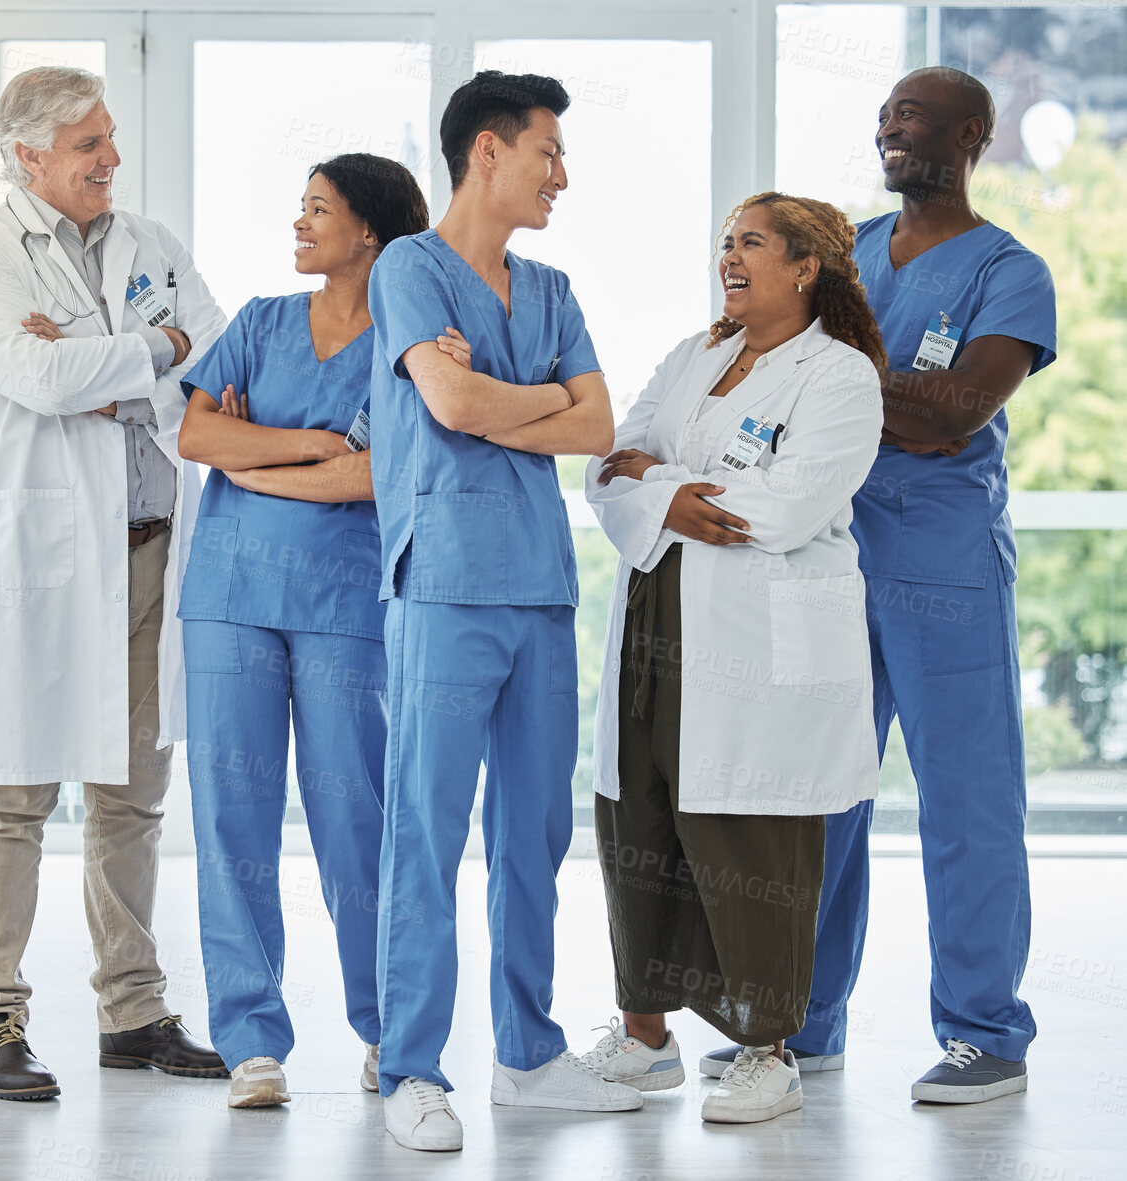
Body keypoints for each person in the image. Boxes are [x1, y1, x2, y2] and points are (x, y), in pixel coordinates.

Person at [699, 67, 1058, 1105]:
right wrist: (881, 392)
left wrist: (847, 382)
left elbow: (959, 413)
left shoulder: (1008, 268)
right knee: (819, 798)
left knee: (967, 801)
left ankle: (985, 1031)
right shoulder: (843, 248)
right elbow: (770, 372)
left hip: (942, 568)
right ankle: (802, 1026)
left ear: (971, 133)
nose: (890, 129)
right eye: (885, 117)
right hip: (829, 563)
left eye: (913, 116)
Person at [0, 65, 229, 1101]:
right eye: (88, 146)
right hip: (46, 559)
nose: (111, 159)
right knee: (14, 791)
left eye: (110, 138)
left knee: (134, 795)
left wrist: (113, 370)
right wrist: (154, 350)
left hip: (155, 545)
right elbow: (41, 378)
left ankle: (134, 1010)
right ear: (28, 158)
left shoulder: (150, 242)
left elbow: (220, 366)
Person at [366, 70, 628, 1154]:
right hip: (444, 581)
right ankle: (413, 1067)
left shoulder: (554, 289)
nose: (561, 174)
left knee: (536, 833)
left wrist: (504, 405)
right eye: (547, 153)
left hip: (538, 584)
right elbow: (451, 403)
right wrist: (538, 402)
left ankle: (527, 1052)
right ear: (487, 150)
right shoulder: (407, 268)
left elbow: (600, 424)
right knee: (425, 831)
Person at [582, 192, 885, 1124]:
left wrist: (658, 490)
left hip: (757, 643)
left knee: (752, 837)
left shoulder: (839, 377)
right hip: (656, 622)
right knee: (640, 820)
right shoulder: (693, 357)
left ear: (807, 268)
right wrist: (671, 494)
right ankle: (644, 1038)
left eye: (752, 242)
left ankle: (767, 1050)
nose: (730, 257)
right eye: (726, 242)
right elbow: (608, 462)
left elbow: (783, 509)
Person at [174, 154, 429, 1110]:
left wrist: (256, 458)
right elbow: (200, 437)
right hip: (230, 596)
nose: (301, 221)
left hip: (344, 603)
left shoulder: (406, 341)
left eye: (318, 208)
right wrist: (312, 443)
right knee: (230, 822)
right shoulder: (262, 321)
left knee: (356, 820)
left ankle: (386, 1027)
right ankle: (250, 1041)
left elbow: (376, 475)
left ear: (368, 231)